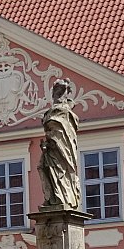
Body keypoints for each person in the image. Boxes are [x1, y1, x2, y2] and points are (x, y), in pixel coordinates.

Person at [37, 79, 82, 210]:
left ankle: (64, 197)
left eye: (61, 93)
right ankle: (53, 198)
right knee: (45, 168)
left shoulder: (67, 114)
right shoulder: (49, 113)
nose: (58, 96)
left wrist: (53, 139)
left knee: (62, 170)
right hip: (50, 150)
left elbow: (66, 135)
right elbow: (51, 130)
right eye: (56, 93)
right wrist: (47, 143)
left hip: (63, 150)